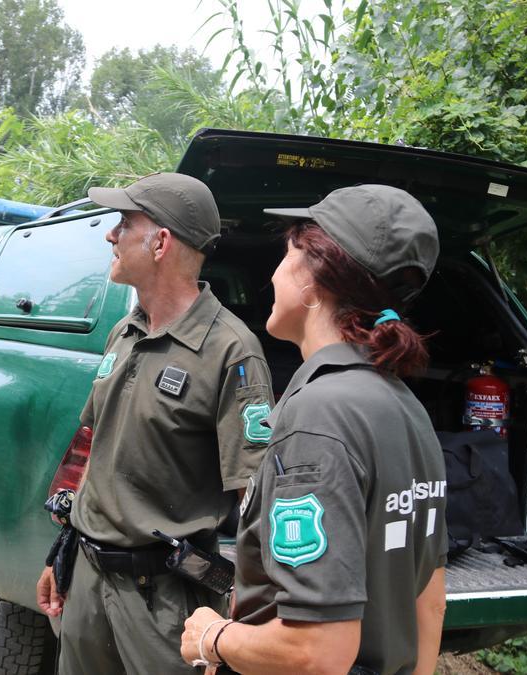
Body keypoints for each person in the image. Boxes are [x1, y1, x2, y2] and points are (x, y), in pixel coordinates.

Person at [179, 184, 448, 675]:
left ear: (313, 279)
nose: (275, 273)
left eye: (286, 255)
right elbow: (428, 600)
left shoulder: (319, 414)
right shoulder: (405, 404)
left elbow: (317, 653)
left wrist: (212, 638)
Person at [35, 173, 276, 674]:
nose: (110, 235)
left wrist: (240, 621)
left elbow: (254, 500)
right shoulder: (125, 331)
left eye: (124, 223)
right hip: (88, 580)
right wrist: (60, 552)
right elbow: (89, 448)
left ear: (160, 242)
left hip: (164, 602)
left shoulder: (231, 351)